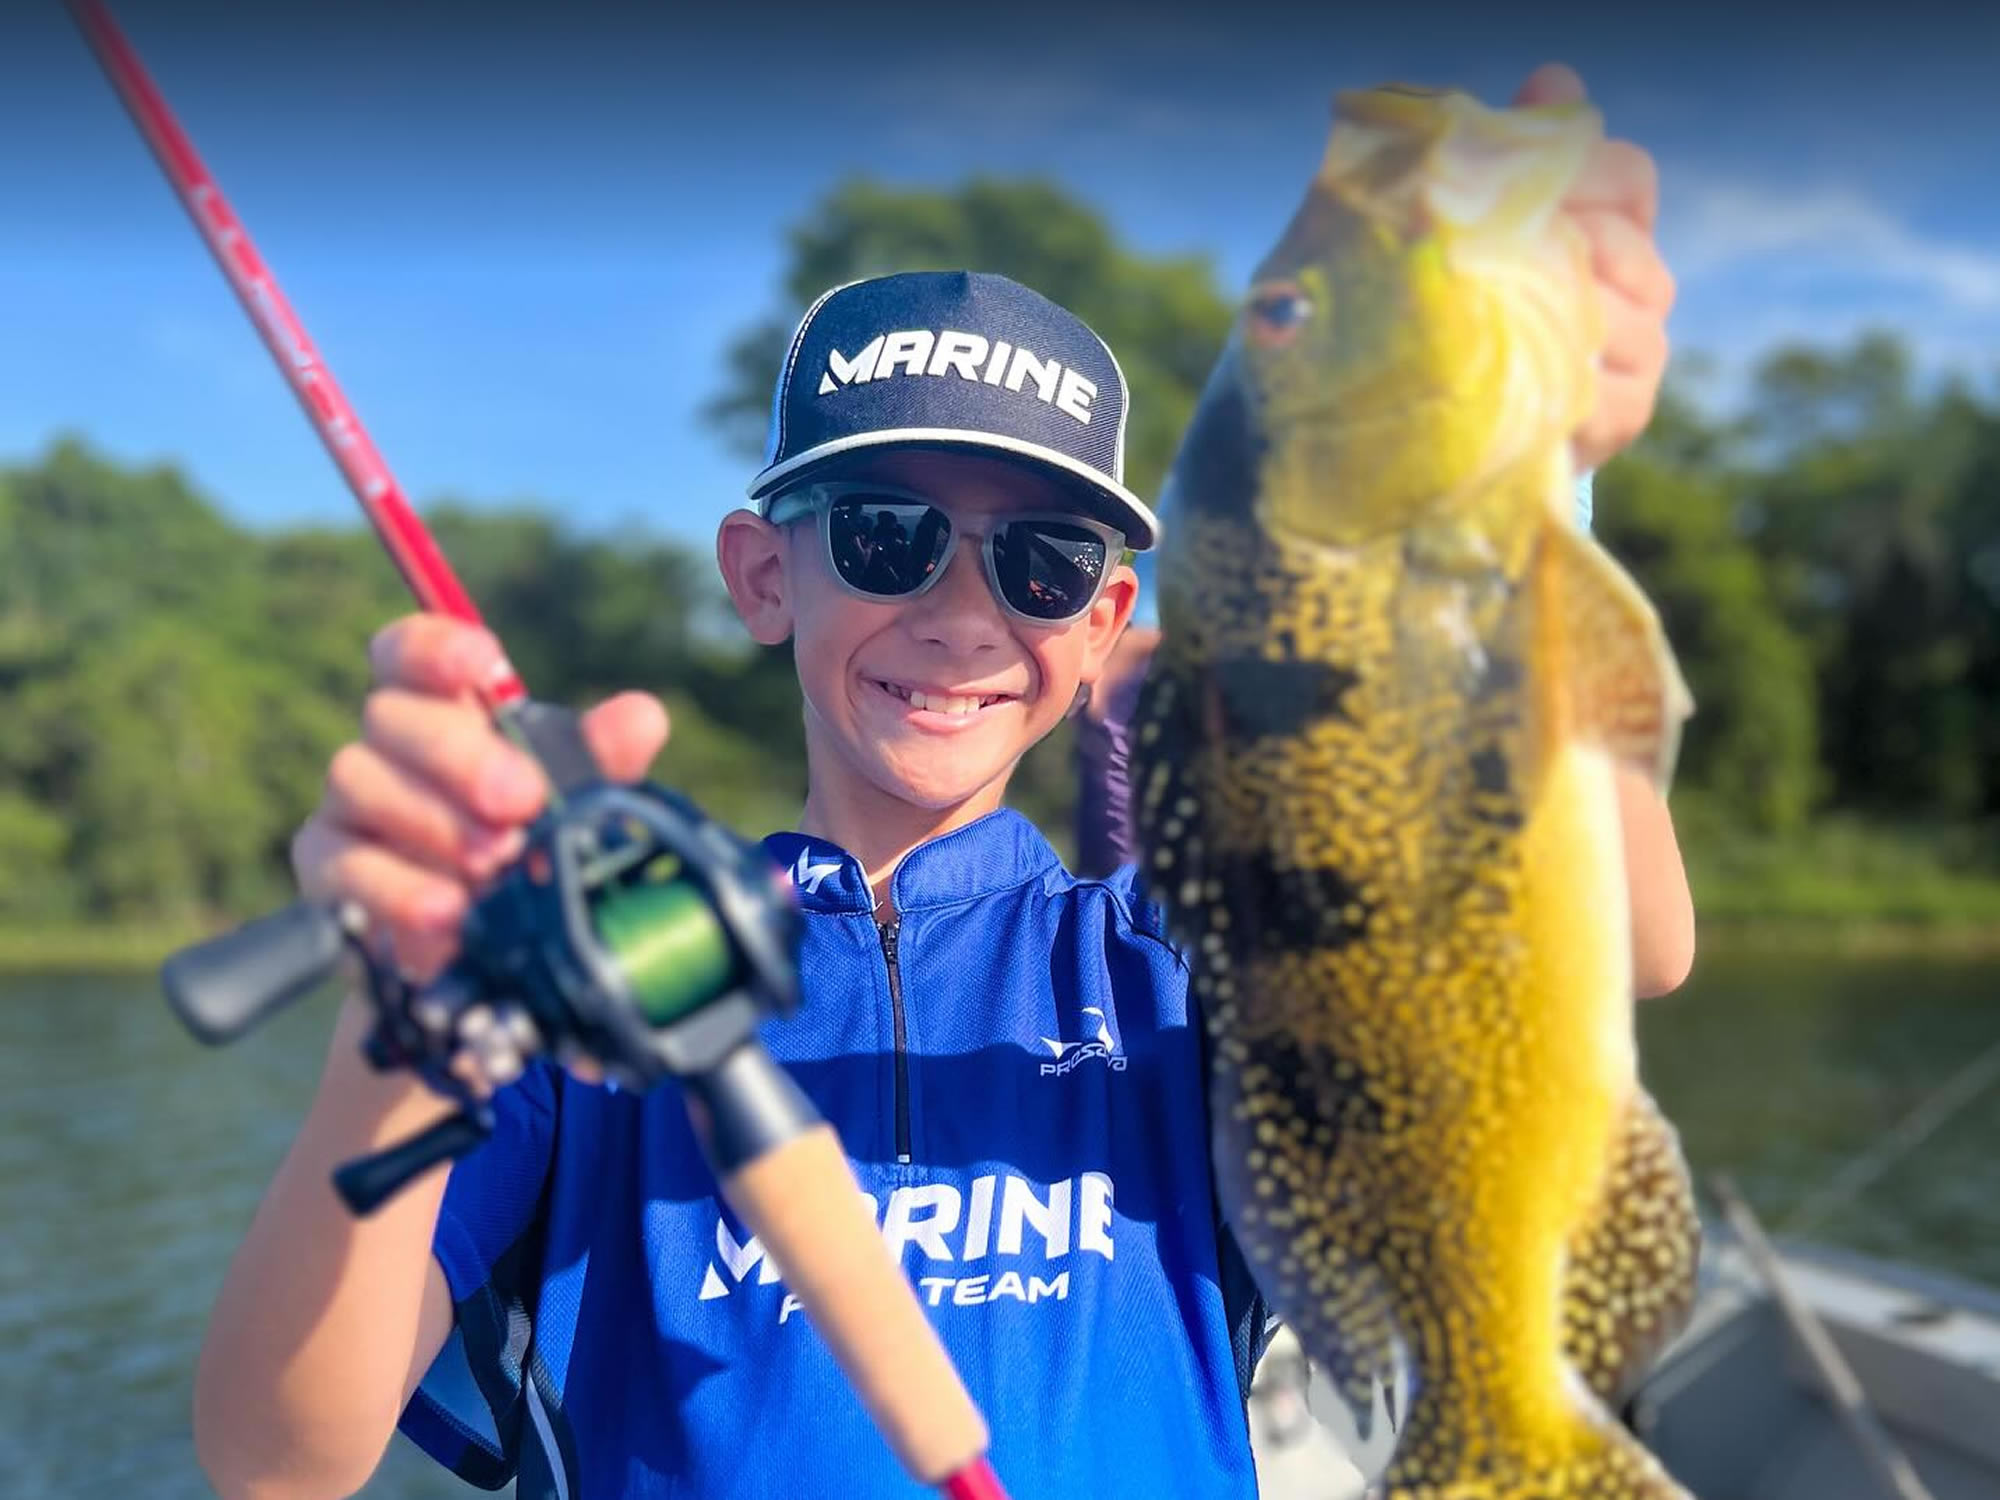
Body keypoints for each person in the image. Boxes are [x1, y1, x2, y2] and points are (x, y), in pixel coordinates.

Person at [189, 63, 1690, 1500]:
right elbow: (277, 1457)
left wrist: (1533, 482)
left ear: (1103, 624)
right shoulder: (585, 992)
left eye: (1042, 562)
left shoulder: (1174, 954)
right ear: (765, 573)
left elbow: (1627, 935)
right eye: (889, 537)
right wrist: (401, 1037)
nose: (965, 615)